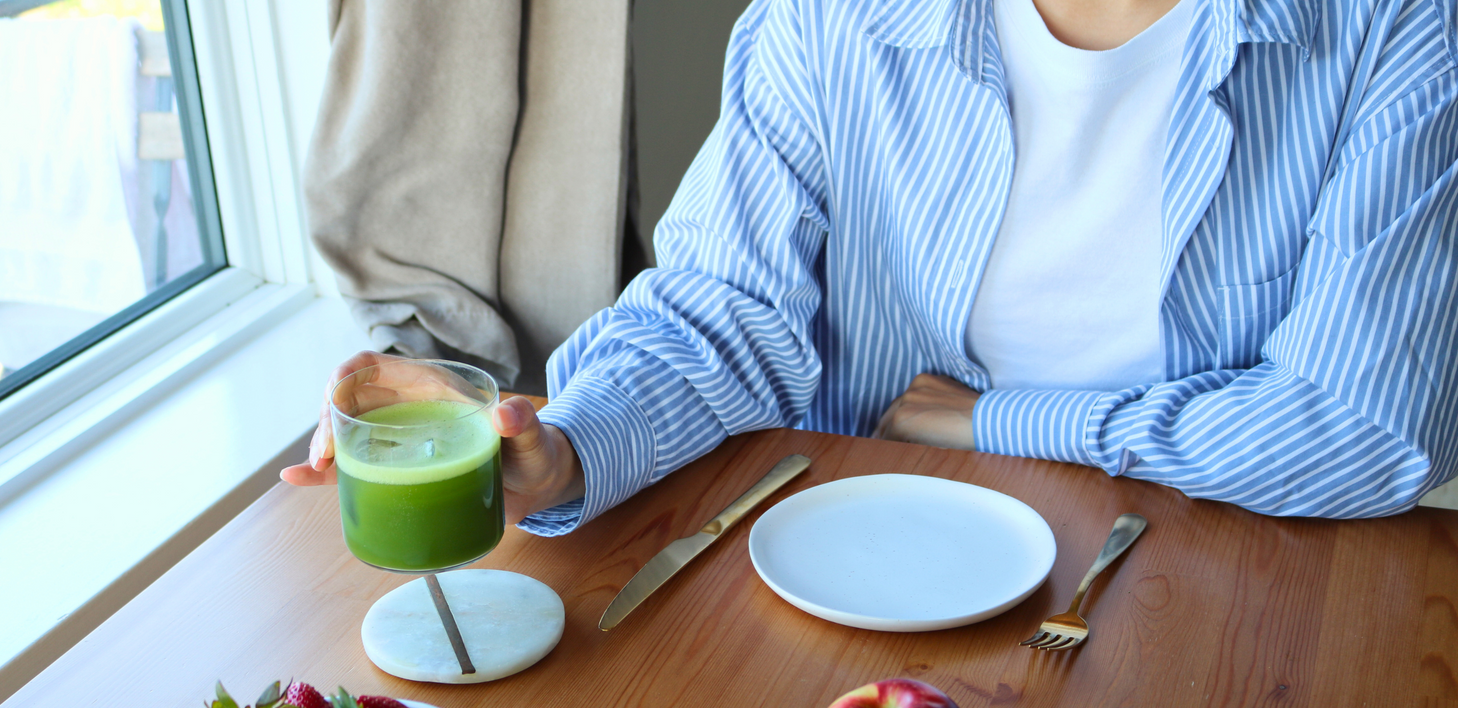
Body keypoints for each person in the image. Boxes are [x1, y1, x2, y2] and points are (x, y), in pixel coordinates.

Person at [285, 0, 1458, 527]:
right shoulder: (831, 17)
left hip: (1221, 555)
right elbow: (722, 309)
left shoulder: (1395, 25)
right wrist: (565, 445)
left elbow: (1363, 428)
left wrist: (1006, 421)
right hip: (881, 549)